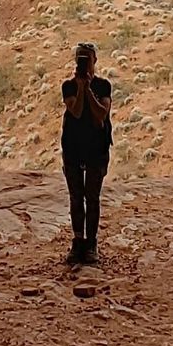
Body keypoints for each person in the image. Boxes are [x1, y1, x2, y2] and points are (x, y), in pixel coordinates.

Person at [60, 41, 112, 266]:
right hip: (73, 147)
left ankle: (91, 243)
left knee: (92, 197)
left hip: (95, 148)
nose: (83, 62)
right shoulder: (68, 86)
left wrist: (88, 89)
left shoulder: (104, 86)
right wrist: (81, 88)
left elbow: (101, 114)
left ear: (94, 60)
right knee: (75, 196)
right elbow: (76, 111)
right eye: (80, 58)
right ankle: (78, 240)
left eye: (86, 58)